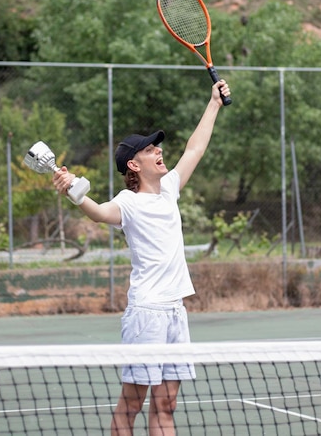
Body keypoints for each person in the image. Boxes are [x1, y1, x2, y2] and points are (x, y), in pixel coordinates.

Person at [53, 79, 231, 436]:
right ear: (134, 165)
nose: (158, 151)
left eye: (157, 147)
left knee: (167, 405)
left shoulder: (169, 191)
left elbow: (195, 149)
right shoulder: (128, 203)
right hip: (146, 315)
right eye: (151, 149)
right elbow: (100, 212)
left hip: (175, 312)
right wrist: (74, 192)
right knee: (132, 404)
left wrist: (213, 103)